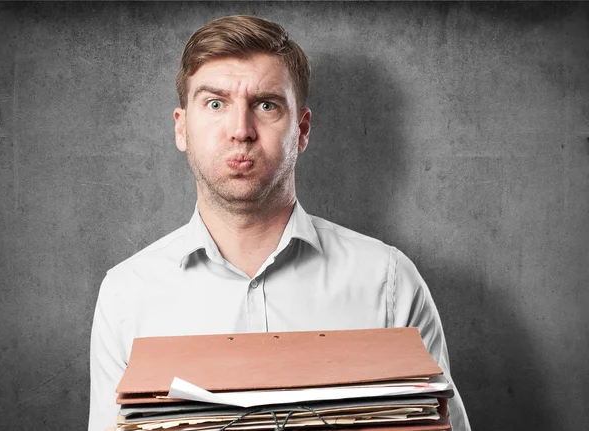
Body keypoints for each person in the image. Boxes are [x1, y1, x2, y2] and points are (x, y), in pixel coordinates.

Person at [89, 15, 471, 431]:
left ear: (302, 130)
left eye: (265, 105)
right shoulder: (127, 294)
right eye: (215, 104)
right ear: (182, 128)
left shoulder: (388, 283)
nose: (240, 130)